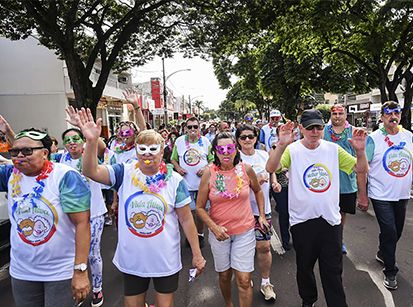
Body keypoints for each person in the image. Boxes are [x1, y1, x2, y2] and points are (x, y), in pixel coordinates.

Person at [79, 108, 206, 307]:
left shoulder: (175, 180)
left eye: (153, 149)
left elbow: (186, 219)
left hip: (165, 258)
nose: (147, 154)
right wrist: (91, 141)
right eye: (142, 149)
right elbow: (90, 171)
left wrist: (197, 254)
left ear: (162, 151)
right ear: (136, 151)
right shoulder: (123, 172)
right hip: (133, 259)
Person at [266, 109, 368, 307]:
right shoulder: (292, 149)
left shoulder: (333, 149)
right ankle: (308, 300)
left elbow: (361, 169)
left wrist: (360, 151)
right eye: (310, 127)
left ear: (323, 128)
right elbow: (271, 168)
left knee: (333, 270)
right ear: (301, 128)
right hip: (302, 220)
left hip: (330, 220)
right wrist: (281, 145)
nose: (314, 132)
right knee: (304, 267)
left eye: (319, 127)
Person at [0, 124, 91, 307]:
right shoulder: (10, 174)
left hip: (59, 272)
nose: (19, 156)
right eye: (14, 151)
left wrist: (80, 270)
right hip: (22, 271)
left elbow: (82, 224)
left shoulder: (65, 177)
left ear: (45, 153)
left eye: (27, 151)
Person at [196, 132, 269, 307]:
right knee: (225, 275)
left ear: (236, 150)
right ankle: (229, 304)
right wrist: (214, 228)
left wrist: (262, 216)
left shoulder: (246, 169)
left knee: (244, 279)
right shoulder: (208, 174)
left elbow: (258, 190)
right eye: (221, 149)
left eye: (229, 148)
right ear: (215, 151)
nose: (226, 152)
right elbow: (199, 207)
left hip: (244, 231)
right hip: (220, 234)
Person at [53, 122, 108, 307]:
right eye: (67, 140)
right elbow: (31, 155)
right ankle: (78, 288)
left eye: (75, 138)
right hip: (70, 217)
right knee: (73, 255)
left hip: (94, 214)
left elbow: (102, 148)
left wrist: (90, 134)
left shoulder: (90, 154)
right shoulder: (60, 159)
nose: (71, 143)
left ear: (83, 140)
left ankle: (97, 289)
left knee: (92, 254)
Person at [361, 101, 413, 290]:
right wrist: (363, 195)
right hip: (380, 194)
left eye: (396, 113)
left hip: (402, 194)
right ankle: (390, 272)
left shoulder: (409, 136)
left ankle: (383, 252)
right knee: (390, 231)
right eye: (389, 113)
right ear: (382, 117)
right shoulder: (373, 139)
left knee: (396, 231)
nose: (393, 116)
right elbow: (363, 168)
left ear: (400, 115)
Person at [236, 124, 277, 301]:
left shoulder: (263, 154)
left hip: (262, 210)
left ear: (256, 138)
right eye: (243, 137)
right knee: (243, 249)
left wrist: (274, 182)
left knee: (264, 246)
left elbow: (271, 170)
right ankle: (246, 279)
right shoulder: (234, 158)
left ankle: (266, 283)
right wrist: (254, 182)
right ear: (237, 140)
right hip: (240, 212)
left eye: (250, 136)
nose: (247, 140)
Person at [171, 117, 214, 248]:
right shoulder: (179, 141)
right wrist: (178, 168)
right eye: (189, 127)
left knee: (201, 212)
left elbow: (212, 160)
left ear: (199, 128)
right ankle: (190, 236)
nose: (192, 129)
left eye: (195, 127)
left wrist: (205, 168)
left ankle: (200, 235)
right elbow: (173, 159)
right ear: (185, 129)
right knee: (188, 212)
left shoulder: (205, 141)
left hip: (202, 184)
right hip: (186, 184)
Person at [323, 104, 359, 254]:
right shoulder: (323, 131)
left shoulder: (354, 132)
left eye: (340, 113)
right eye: (334, 114)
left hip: (346, 181)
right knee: (325, 212)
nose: (337, 116)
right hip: (325, 180)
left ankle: (339, 240)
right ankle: (326, 240)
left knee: (341, 213)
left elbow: (361, 155)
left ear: (345, 115)